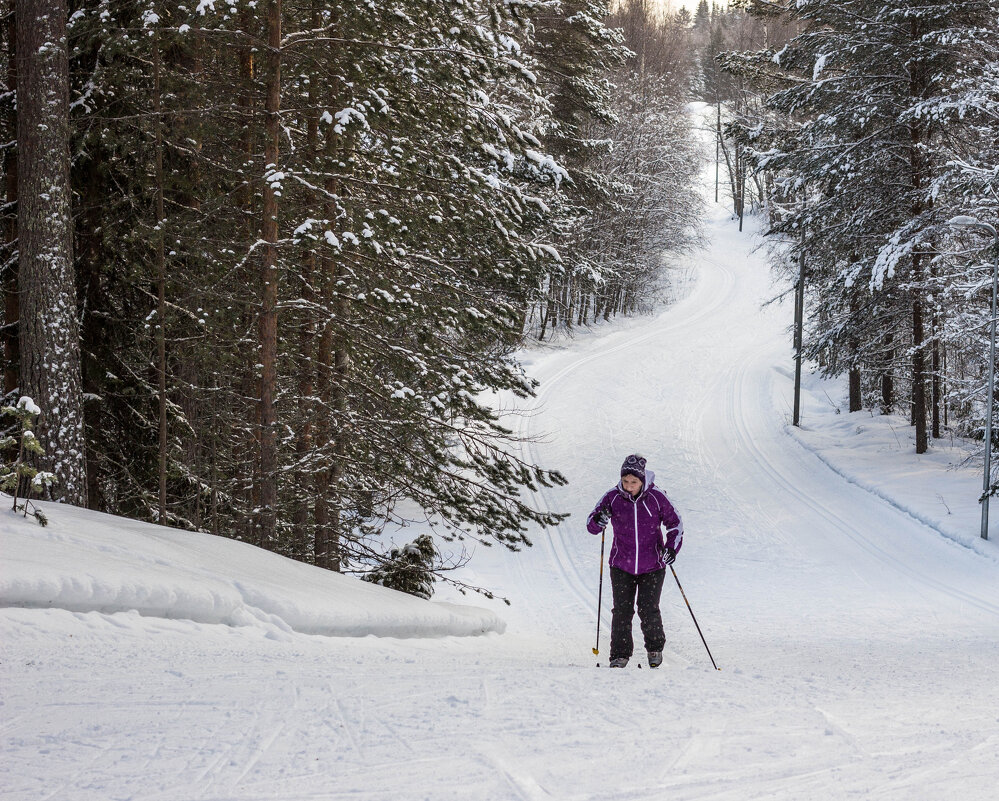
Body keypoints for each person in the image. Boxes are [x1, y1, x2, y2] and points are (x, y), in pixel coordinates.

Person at [586, 454, 683, 668]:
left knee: (648, 608)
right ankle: (619, 655)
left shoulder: (657, 497)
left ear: (642, 481)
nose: (628, 486)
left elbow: (675, 524)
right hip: (621, 564)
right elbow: (591, 525)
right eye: (625, 481)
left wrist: (671, 549)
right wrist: (598, 520)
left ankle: (654, 649)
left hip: (653, 565)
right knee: (622, 610)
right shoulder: (612, 497)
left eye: (634, 482)